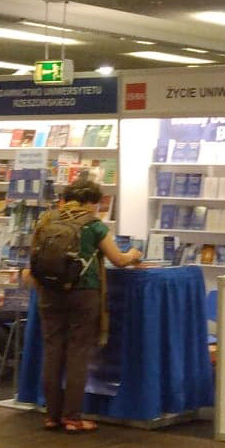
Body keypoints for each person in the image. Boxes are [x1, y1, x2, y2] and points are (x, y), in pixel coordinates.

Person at [29, 179, 142, 433]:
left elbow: (33, 259)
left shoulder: (46, 220)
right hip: (83, 293)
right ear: (91, 202)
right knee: (77, 353)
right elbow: (118, 259)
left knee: (52, 352)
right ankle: (72, 418)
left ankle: (51, 415)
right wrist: (134, 254)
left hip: (49, 293)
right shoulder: (93, 225)